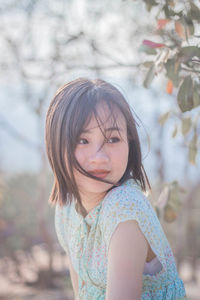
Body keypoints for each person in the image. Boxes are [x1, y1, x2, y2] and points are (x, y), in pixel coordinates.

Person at [45, 78, 186, 300]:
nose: (99, 157)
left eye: (112, 138)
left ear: (129, 143)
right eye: (82, 140)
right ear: (55, 144)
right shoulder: (67, 209)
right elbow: (81, 295)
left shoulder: (124, 208)